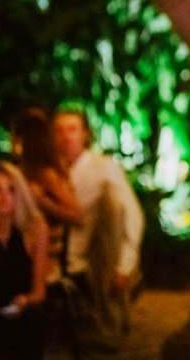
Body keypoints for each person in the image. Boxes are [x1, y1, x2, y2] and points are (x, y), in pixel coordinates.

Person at [52, 109, 144, 348]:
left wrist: (125, 265)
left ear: (85, 133)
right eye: (59, 130)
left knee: (112, 206)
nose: (66, 136)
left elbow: (131, 214)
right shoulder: (49, 169)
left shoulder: (102, 167)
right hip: (52, 253)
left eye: (72, 129)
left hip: (91, 255)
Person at [0, 160, 49, 360]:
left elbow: (39, 291)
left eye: (11, 190)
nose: (4, 197)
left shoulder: (35, 229)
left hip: (22, 309)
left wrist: (26, 300)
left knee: (35, 314)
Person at [11, 108, 82, 282]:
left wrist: (43, 202)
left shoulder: (48, 175)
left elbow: (77, 215)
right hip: (26, 260)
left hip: (47, 265)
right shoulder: (23, 172)